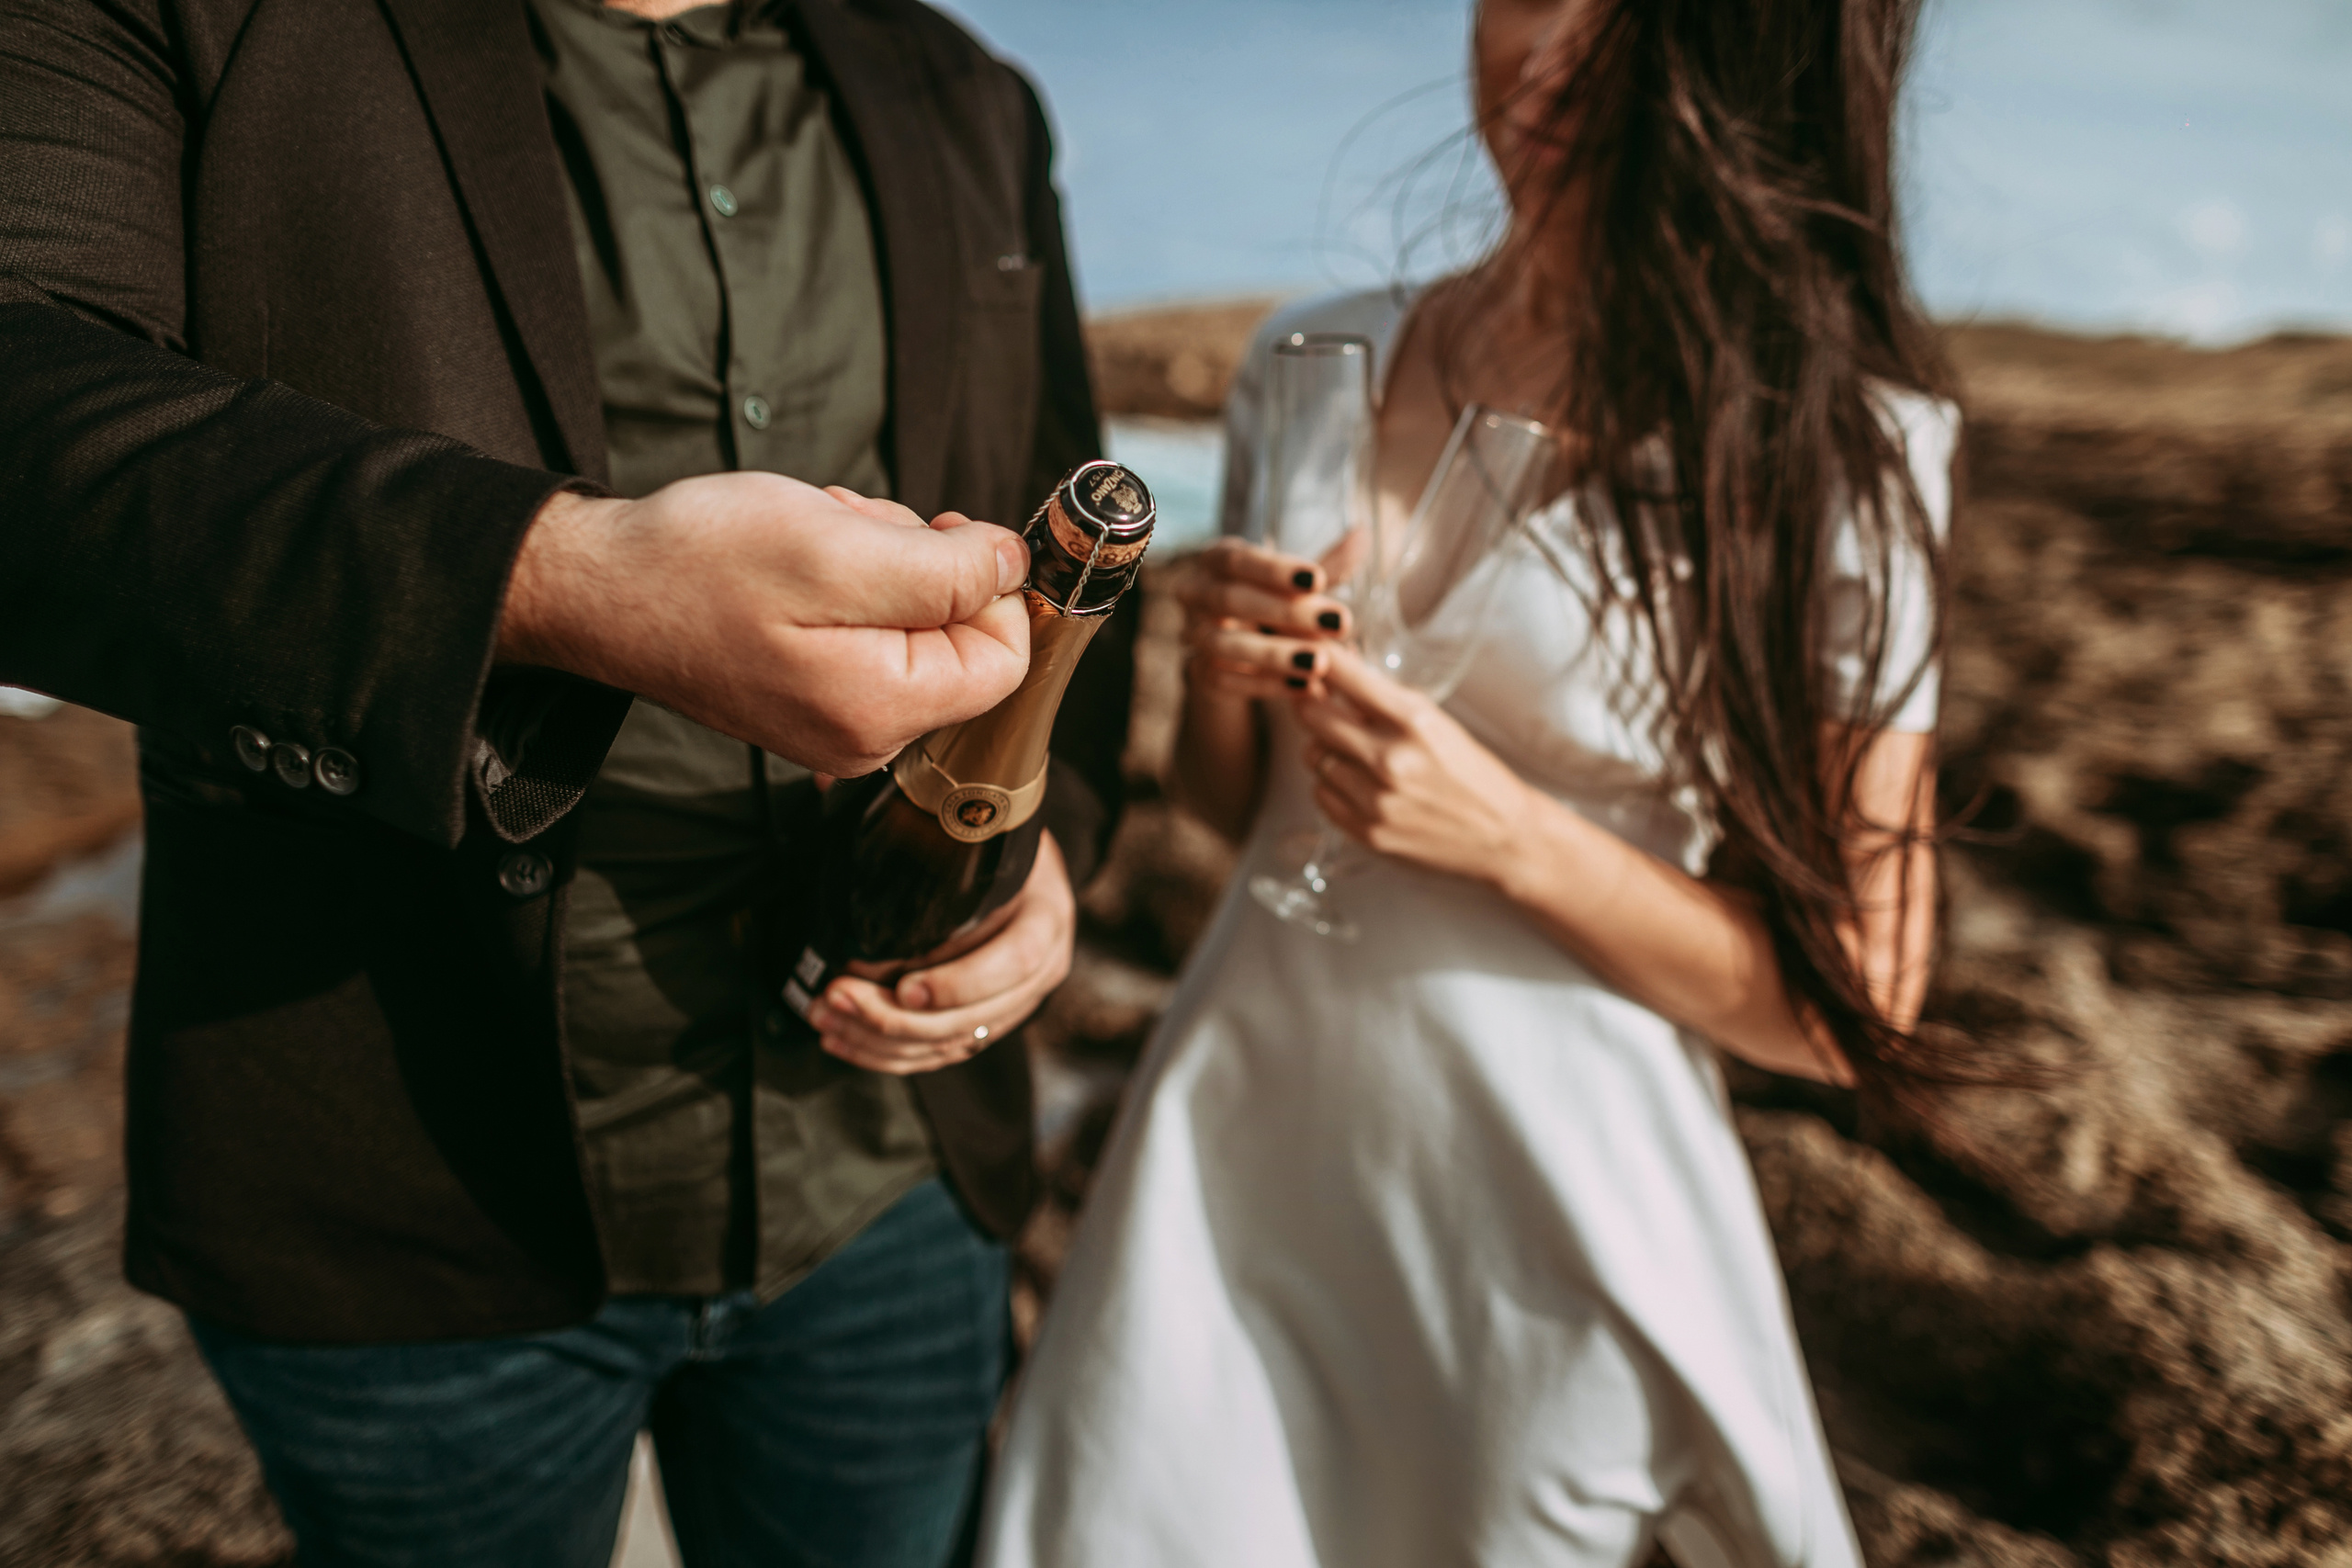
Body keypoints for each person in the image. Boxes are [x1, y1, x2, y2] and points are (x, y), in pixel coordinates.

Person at [0, 0, 1133, 1562]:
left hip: (894, 1191)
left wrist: (1044, 853)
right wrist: (562, 579)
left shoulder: (968, 90)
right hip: (398, 1193)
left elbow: (1068, 564)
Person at [980, 2, 1957, 1565]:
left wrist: (1511, 836)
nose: (1552, 47)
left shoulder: (1842, 443)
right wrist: (1217, 665)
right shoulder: (1311, 353)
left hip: (1544, 1222)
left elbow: (1858, 998)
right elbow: (1235, 816)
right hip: (1237, 1149)